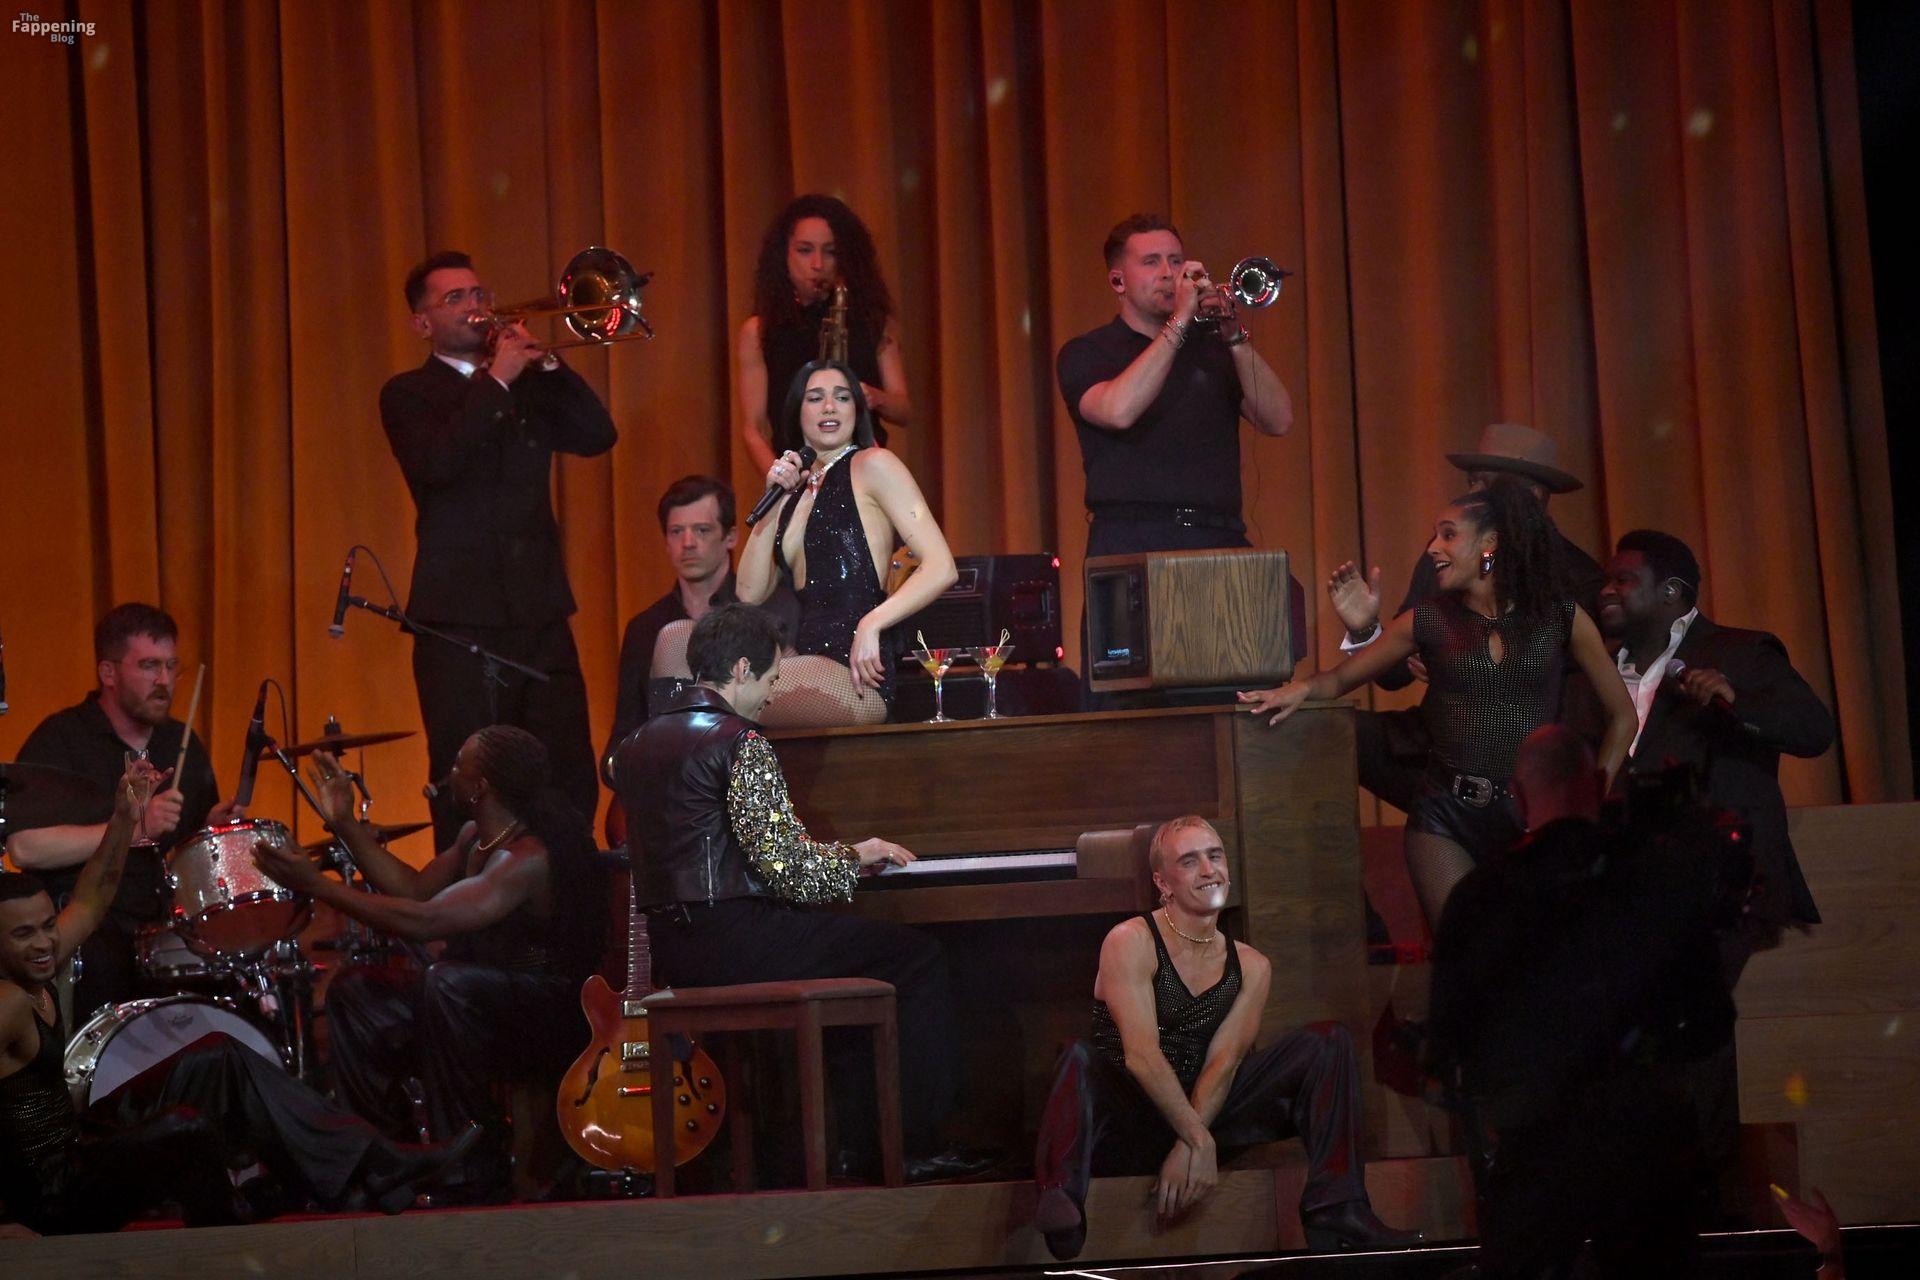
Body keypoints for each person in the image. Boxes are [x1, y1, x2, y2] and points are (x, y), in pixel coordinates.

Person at [1, 760, 473, 1234]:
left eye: (48, 927)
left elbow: (93, 896)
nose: (44, 943)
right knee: (182, 1126)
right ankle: (232, 1222)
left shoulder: (41, 959)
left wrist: (126, 818)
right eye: (24, 934)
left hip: (76, 1144)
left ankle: (373, 1164)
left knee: (219, 1056)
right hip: (56, 1196)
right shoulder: (8, 1003)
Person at [614, 603, 992, 1183]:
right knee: (915, 959)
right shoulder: (738, 740)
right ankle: (913, 1147)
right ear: (741, 669)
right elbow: (791, 871)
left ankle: (859, 1148)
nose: (771, 695)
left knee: (846, 965)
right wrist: (857, 856)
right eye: (769, 679)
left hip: (678, 951)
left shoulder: (635, 746)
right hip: (739, 941)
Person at [1242, 478, 1636, 924]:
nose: (1432, 547)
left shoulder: (1561, 617)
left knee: (1532, 948)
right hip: (1445, 818)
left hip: (1533, 815)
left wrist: (1589, 797)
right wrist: (1298, 688)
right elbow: (1337, 681)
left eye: (1448, 535)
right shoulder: (1427, 619)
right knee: (1463, 948)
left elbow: (1623, 716)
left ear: (1490, 543)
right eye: (1435, 535)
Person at [1031, 816, 1419, 1261]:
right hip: (1131, 1118)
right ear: (1163, 882)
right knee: (1078, 1056)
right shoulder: (1131, 940)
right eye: (1189, 861)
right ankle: (1061, 1197)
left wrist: (1192, 1139)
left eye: (1214, 856)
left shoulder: (1252, 966)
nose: (1208, 870)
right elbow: (1141, 1056)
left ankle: (1337, 1207)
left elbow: (1226, 1061)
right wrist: (1198, 1142)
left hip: (1208, 1111)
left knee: (1328, 1042)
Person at [1427, 726, 1735, 1278]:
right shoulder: (1657, 879)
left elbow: (1451, 1040)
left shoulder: (1480, 896)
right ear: (1596, 784)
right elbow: (1710, 1020)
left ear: (1518, 798)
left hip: (1534, 1155)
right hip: (1648, 1149)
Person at [251, 726, 607, 1201]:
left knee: (446, 983)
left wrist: (319, 886)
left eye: (459, 765)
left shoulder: (526, 857)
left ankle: (471, 1171)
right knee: (356, 992)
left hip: (544, 1010)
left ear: (480, 787)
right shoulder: (474, 838)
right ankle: (383, 1160)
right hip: (479, 999)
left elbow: (427, 921)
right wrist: (345, 824)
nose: (448, 774)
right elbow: (416, 891)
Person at [1594, 528, 1836, 1218]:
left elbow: (1814, 730)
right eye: (1607, 580)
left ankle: (1706, 1201)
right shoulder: (1594, 672)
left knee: (1684, 1009)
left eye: (1623, 580)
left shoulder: (1739, 651)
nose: (1608, 591)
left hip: (1719, 882)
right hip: (1625, 890)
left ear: (1672, 593)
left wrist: (1736, 701)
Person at [380, 249, 615, 844]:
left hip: (539, 614)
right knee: (467, 780)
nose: (476, 306)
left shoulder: (528, 385)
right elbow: (438, 465)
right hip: (459, 626)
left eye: (479, 293)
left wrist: (550, 364)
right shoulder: (408, 394)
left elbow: (597, 435)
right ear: (422, 323)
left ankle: (569, 884)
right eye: (454, 298)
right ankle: (470, 898)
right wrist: (498, 378)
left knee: (567, 771)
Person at [1328, 423, 1607, 813]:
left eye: (1485, 485)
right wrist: (1365, 628)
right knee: (1330, 731)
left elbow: (1580, 705)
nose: (1471, 494)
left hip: (1531, 765)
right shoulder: (1447, 558)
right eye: (1471, 482)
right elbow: (1394, 677)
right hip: (1437, 744)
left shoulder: (1580, 580)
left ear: (1532, 496)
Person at [3, 604, 243, 1021]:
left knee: (234, 975)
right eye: (149, 666)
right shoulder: (62, 739)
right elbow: (25, 848)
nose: (164, 680)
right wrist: (132, 828)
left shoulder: (181, 741)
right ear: (108, 673)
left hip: (166, 927)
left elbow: (183, 850)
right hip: (91, 932)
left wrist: (211, 830)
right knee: (102, 966)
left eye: (171, 666)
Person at [735, 362, 957, 727]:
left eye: (842, 397)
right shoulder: (793, 494)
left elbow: (941, 567)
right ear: (797, 412)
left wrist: (872, 623)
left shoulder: (874, 465)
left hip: (858, 674)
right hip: (806, 667)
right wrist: (772, 500)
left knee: (733, 687)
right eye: (815, 398)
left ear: (856, 409)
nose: (829, 407)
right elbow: (749, 592)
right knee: (681, 646)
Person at [736, 194, 911, 475]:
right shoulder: (759, 331)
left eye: (830, 252)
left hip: (865, 475)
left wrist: (873, 396)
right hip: (800, 475)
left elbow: (903, 409)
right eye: (805, 251)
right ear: (784, 255)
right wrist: (785, 483)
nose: (818, 264)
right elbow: (753, 429)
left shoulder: (873, 322)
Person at [604, 475, 743, 762]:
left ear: (731, 537)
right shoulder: (645, 628)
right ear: (666, 542)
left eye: (702, 530)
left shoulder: (759, 612)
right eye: (676, 531)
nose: (688, 543)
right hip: (665, 777)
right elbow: (624, 735)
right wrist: (618, 767)